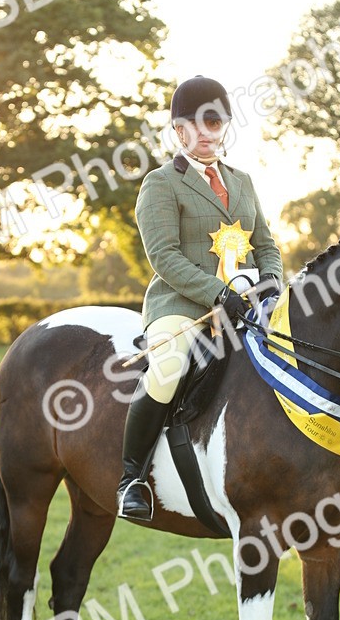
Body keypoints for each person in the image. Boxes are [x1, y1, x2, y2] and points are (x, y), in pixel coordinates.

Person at [117, 75, 283, 520]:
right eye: (197, 123)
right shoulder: (160, 183)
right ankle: (131, 478)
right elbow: (164, 256)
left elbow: (266, 244)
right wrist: (216, 293)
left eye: (216, 122)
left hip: (246, 305)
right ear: (179, 130)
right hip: (182, 306)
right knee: (168, 368)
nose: (208, 132)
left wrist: (271, 280)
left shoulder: (243, 182)